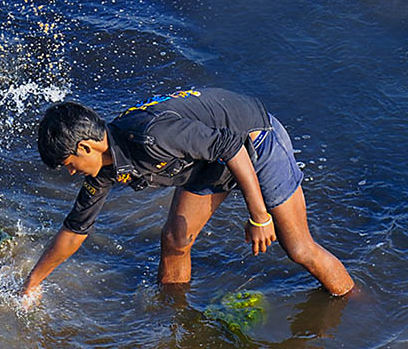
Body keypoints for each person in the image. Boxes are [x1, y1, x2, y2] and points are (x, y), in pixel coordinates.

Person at [21, 88, 355, 306]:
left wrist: (259, 215)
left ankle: (357, 305)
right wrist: (32, 284)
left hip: (254, 140)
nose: (71, 173)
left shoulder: (151, 136)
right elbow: (75, 230)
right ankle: (174, 318)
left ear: (86, 147)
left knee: (297, 248)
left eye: (69, 165)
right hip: (212, 157)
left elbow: (231, 146)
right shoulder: (104, 167)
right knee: (175, 239)